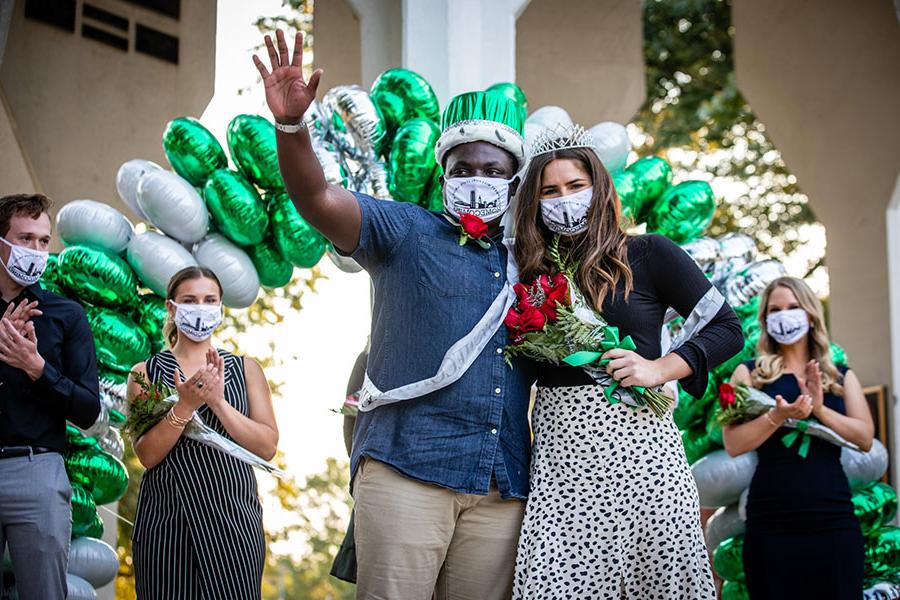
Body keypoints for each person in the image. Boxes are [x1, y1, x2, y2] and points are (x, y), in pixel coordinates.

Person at [254, 30, 535, 600]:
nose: (476, 181)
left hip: (502, 484)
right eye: (462, 168)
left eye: (491, 168)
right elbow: (316, 199)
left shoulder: (533, 264)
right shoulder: (405, 228)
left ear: (514, 180)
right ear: (443, 173)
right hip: (408, 465)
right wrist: (290, 128)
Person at [510, 127, 743, 599]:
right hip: (562, 464)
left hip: (644, 458)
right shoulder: (526, 271)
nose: (564, 199)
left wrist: (660, 368)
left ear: (599, 187)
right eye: (549, 192)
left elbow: (726, 328)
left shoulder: (649, 252)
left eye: (575, 186)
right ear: (534, 202)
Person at [129, 266, 278, 599]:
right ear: (171, 307)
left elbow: (267, 446)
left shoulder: (246, 369)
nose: (201, 307)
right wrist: (184, 406)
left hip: (233, 521)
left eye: (210, 300)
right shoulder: (145, 373)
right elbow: (147, 455)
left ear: (222, 307)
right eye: (190, 300)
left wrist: (218, 403)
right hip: (166, 522)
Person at [723, 276, 873, 600]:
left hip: (833, 522)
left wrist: (819, 410)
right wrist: (777, 416)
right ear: (764, 320)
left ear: (810, 314)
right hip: (771, 525)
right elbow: (733, 445)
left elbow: (865, 438)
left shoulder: (841, 376)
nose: (784, 315)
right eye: (775, 310)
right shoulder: (747, 374)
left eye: (793, 307)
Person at [0, 193, 101, 600]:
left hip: (36, 468)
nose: (37, 250)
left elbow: (88, 408)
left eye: (44, 241)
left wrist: (36, 368)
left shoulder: (66, 314)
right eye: (25, 239)